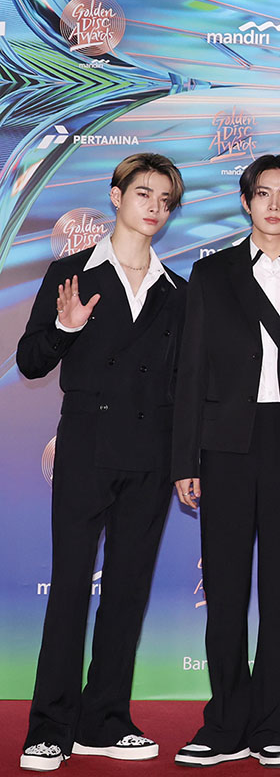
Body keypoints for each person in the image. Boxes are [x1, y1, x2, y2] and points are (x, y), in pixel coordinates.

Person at [171, 154, 280, 768]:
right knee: (224, 590)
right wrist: (186, 458)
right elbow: (191, 370)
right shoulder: (210, 273)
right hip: (223, 444)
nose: (274, 205)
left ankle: (273, 722)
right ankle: (224, 723)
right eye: (263, 193)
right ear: (246, 201)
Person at [16, 154, 186, 773]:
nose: (154, 207)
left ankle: (105, 720)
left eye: (165, 200)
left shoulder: (177, 290)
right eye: (143, 194)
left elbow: (184, 387)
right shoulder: (70, 273)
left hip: (151, 456)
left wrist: (184, 461)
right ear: (116, 196)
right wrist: (65, 328)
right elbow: (30, 360)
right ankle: (49, 727)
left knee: (127, 591)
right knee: (69, 587)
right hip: (86, 448)